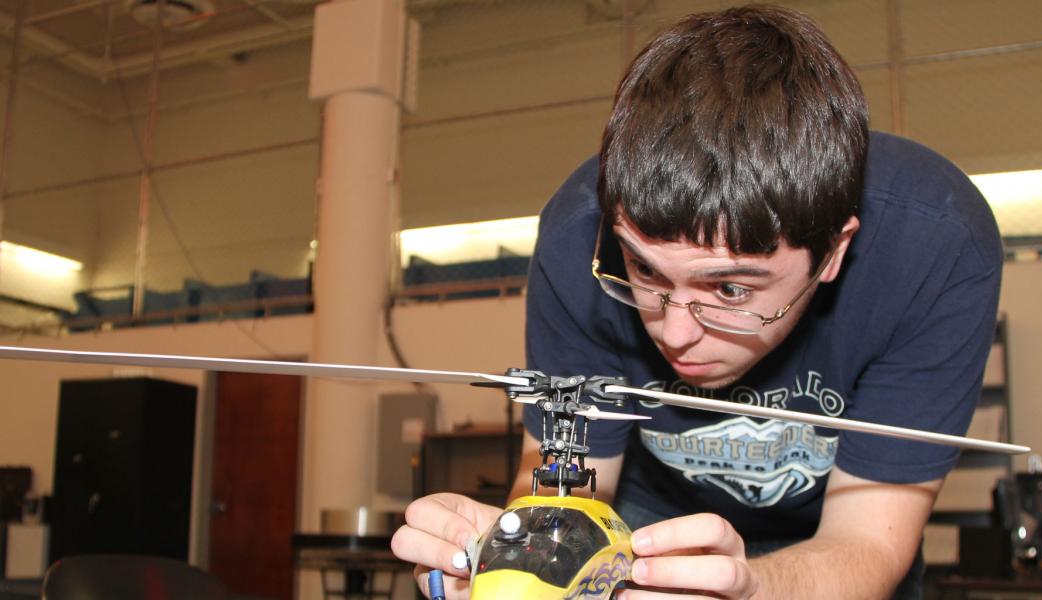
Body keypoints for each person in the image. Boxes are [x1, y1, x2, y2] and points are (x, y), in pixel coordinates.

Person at [392, 5, 1002, 599]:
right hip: (653, 524)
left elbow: (868, 544)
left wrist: (758, 587)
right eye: (644, 271)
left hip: (841, 540)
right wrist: (511, 560)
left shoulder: (936, 249)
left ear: (834, 251)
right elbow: (568, 476)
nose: (675, 333)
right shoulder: (577, 239)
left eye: (730, 290)